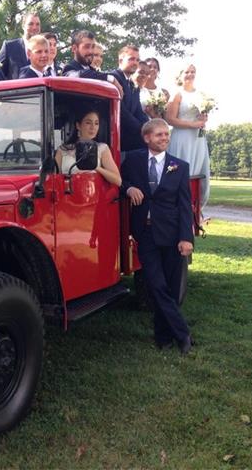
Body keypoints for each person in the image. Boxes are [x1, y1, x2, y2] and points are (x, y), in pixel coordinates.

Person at [120, 118, 194, 354]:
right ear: (147, 138)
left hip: (173, 235)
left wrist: (186, 238)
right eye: (159, 135)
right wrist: (128, 188)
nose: (164, 138)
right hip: (146, 232)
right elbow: (119, 181)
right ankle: (183, 334)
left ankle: (163, 337)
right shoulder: (132, 159)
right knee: (156, 286)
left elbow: (185, 205)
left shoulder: (179, 166)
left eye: (166, 134)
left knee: (171, 289)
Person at [165, 63, 210, 209]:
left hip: (198, 138)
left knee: (197, 170)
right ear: (180, 75)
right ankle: (177, 206)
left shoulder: (201, 95)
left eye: (193, 71)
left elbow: (202, 117)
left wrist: (203, 120)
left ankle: (195, 209)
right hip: (182, 137)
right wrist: (193, 124)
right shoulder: (177, 94)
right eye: (187, 72)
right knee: (181, 170)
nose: (190, 74)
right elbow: (170, 119)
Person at [55, 109, 121, 186]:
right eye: (88, 123)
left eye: (96, 123)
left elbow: (118, 180)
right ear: (78, 125)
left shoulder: (102, 148)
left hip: (91, 193)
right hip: (67, 194)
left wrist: (96, 167)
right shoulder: (63, 149)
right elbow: (54, 179)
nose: (93, 127)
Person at [110, 45, 149, 154]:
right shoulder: (114, 78)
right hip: (117, 136)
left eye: (137, 60)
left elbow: (139, 112)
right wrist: (141, 128)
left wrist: (148, 127)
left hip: (131, 134)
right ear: (121, 60)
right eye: (131, 59)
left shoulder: (132, 84)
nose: (135, 63)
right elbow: (121, 112)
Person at [62, 30, 123, 97]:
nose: (91, 51)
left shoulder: (94, 72)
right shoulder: (69, 69)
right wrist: (111, 78)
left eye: (93, 47)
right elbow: (80, 75)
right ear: (74, 48)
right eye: (86, 47)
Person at [0, 12, 41, 79]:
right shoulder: (9, 47)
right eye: (30, 24)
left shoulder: (44, 50)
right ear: (23, 26)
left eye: (37, 24)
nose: (34, 27)